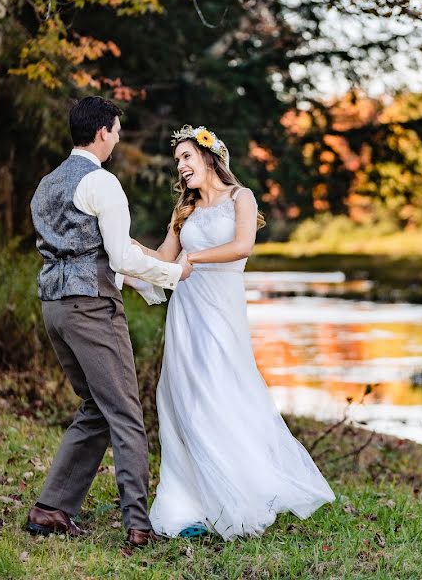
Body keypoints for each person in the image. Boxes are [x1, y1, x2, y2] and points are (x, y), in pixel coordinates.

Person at [140, 124, 334, 539]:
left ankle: (238, 495)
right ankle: (190, 502)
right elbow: (162, 258)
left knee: (220, 395)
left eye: (187, 157)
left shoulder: (241, 197)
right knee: (184, 402)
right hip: (185, 317)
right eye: (178, 161)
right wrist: (123, 247)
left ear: (209, 156)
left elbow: (243, 246)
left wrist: (193, 257)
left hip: (221, 315)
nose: (181, 167)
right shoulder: (184, 211)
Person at [27, 96, 193, 547]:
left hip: (54, 308)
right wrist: (175, 273)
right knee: (124, 414)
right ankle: (139, 525)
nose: (118, 138)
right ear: (102, 132)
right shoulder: (102, 183)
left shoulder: (46, 184)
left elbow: (94, 251)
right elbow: (118, 256)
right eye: (117, 131)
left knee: (95, 408)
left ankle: (50, 509)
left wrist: (151, 286)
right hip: (92, 309)